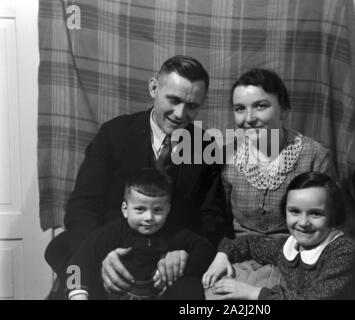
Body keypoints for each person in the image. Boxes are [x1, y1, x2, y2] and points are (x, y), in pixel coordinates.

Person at [45, 55, 227, 299]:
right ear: (154, 88)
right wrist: (102, 257)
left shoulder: (204, 145)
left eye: (192, 106)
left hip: (168, 255)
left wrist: (183, 253)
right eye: (173, 100)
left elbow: (212, 216)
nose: (180, 113)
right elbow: (83, 206)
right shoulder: (114, 133)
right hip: (110, 244)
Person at [208, 68, 337, 296]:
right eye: (240, 109)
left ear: (284, 110)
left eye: (261, 106)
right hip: (240, 259)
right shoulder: (226, 155)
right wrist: (222, 254)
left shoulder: (315, 156)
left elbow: (330, 222)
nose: (248, 118)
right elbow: (220, 220)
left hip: (297, 261)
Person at [203, 172, 355, 300]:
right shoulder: (288, 247)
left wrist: (254, 293)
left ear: (333, 215)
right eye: (294, 211)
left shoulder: (343, 251)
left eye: (315, 214)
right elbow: (250, 243)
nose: (303, 222)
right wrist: (222, 256)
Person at [67, 168, 214, 300]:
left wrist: (184, 264)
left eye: (157, 210)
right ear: (125, 209)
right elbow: (78, 261)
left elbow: (206, 249)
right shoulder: (112, 233)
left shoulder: (174, 234)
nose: (149, 217)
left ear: (168, 209)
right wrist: (78, 294)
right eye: (140, 209)